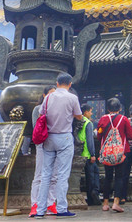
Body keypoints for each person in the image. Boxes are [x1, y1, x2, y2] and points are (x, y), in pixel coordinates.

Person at [35, 73, 83, 218]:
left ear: (57, 83)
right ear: (70, 84)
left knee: (46, 175)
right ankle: (61, 208)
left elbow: (41, 113)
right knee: (62, 175)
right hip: (65, 137)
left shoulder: (49, 97)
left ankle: (40, 210)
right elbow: (79, 116)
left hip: (49, 138)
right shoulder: (72, 98)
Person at [97, 97, 132, 213]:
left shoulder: (102, 119)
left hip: (107, 153)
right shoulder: (124, 119)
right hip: (121, 153)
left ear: (107, 108)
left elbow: (99, 135)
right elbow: (131, 136)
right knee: (119, 177)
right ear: (120, 108)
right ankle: (116, 203)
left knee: (108, 177)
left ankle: (105, 203)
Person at [29, 85, 57, 218]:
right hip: (42, 144)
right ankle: (35, 204)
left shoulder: (59, 109)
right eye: (51, 94)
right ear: (45, 95)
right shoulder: (37, 109)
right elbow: (36, 129)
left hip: (56, 144)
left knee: (54, 176)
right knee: (39, 175)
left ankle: (51, 203)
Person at [77, 104, 100, 206]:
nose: (91, 113)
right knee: (93, 175)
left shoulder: (78, 121)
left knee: (88, 176)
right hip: (87, 153)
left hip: (80, 153)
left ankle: (91, 197)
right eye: (90, 111)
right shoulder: (88, 123)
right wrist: (92, 154)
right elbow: (90, 140)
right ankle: (93, 196)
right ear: (85, 112)